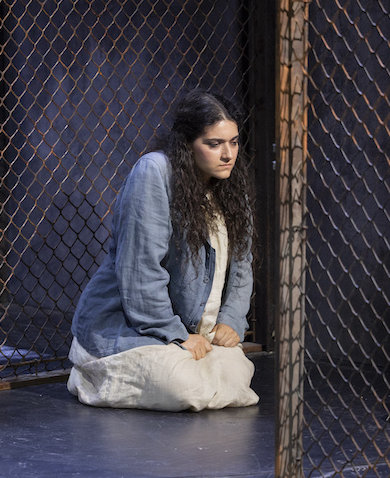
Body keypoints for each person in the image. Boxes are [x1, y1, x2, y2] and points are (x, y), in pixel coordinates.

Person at [68, 90, 260, 411]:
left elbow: (243, 264)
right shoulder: (155, 172)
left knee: (237, 372)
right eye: (214, 144)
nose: (228, 154)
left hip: (195, 333)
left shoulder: (231, 183)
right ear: (188, 144)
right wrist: (175, 335)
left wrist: (231, 320)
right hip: (131, 328)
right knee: (186, 384)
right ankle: (90, 375)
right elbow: (141, 271)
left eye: (234, 142)